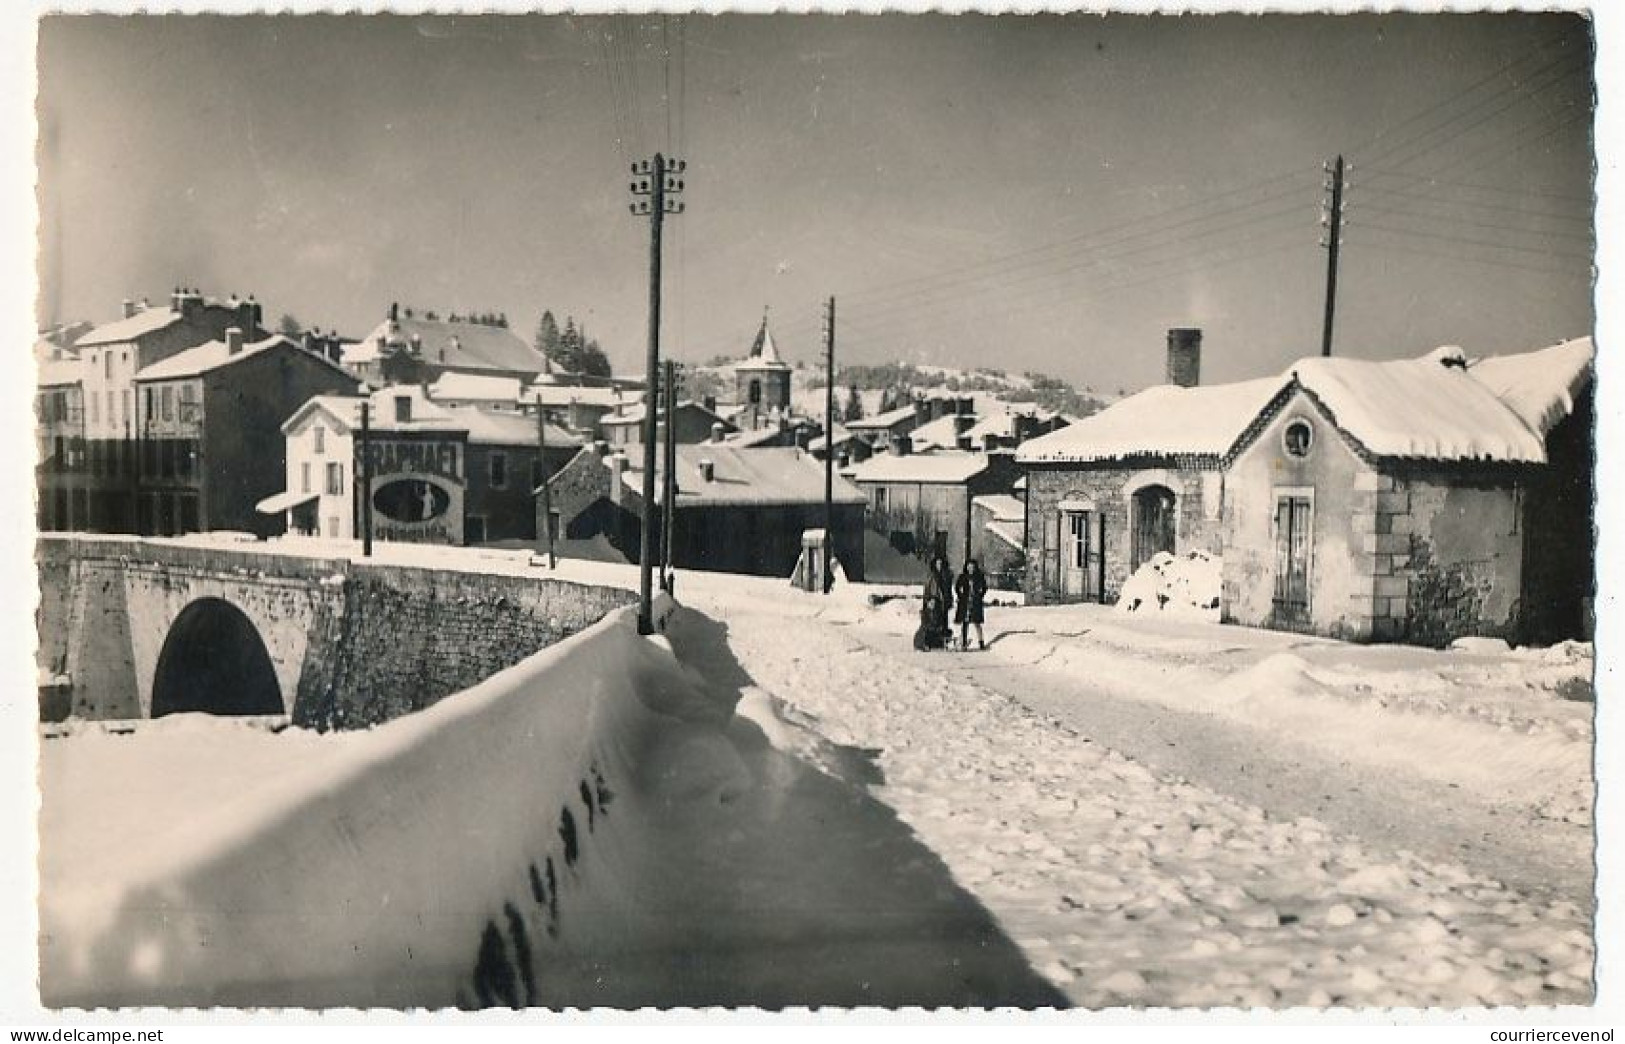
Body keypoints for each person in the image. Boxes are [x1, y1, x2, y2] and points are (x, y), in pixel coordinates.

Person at [955, 558, 989, 651]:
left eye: (972, 567)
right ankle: (964, 643)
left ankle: (981, 642)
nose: (970, 568)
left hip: (975, 602)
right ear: (966, 567)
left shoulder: (979, 576)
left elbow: (985, 587)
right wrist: (960, 595)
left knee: (977, 623)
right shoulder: (962, 576)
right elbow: (957, 587)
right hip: (965, 602)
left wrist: (980, 595)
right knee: (965, 623)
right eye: (969, 566)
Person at [924, 551, 954, 648]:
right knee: (933, 622)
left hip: (944, 601)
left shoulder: (947, 575)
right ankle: (929, 642)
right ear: (935, 564)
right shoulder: (931, 575)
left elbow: (949, 589)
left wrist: (950, 600)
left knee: (944, 622)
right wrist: (927, 600)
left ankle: (941, 642)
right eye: (937, 563)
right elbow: (927, 588)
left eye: (941, 563)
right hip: (934, 600)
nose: (939, 565)